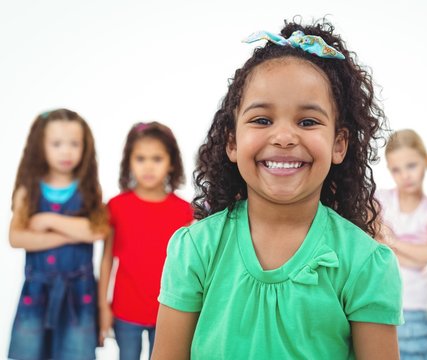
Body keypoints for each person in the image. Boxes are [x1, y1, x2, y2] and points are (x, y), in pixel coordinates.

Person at [151, 19, 403, 360]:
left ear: (339, 143)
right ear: (232, 142)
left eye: (308, 121)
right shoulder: (196, 250)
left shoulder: (365, 264)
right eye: (262, 120)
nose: (284, 137)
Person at [8, 108, 108, 360]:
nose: (66, 151)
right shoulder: (27, 190)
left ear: (85, 147)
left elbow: (96, 230)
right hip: (36, 293)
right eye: (57, 144)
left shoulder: (89, 189)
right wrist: (71, 234)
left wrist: (46, 220)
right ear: (40, 146)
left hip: (79, 294)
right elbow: (17, 237)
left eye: (74, 144)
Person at [98, 122, 194, 360]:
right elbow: (106, 260)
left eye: (157, 159)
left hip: (168, 312)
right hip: (125, 310)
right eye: (140, 159)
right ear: (129, 162)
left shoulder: (184, 211)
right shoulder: (117, 206)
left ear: (171, 163)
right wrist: (102, 307)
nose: (148, 166)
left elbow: (189, 267)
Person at [377, 129, 427, 359]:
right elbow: (370, 241)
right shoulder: (380, 200)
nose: (405, 175)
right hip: (378, 304)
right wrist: (416, 254)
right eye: (397, 169)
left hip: (414, 309)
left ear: (426, 161)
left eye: (412, 166)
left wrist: (392, 243)